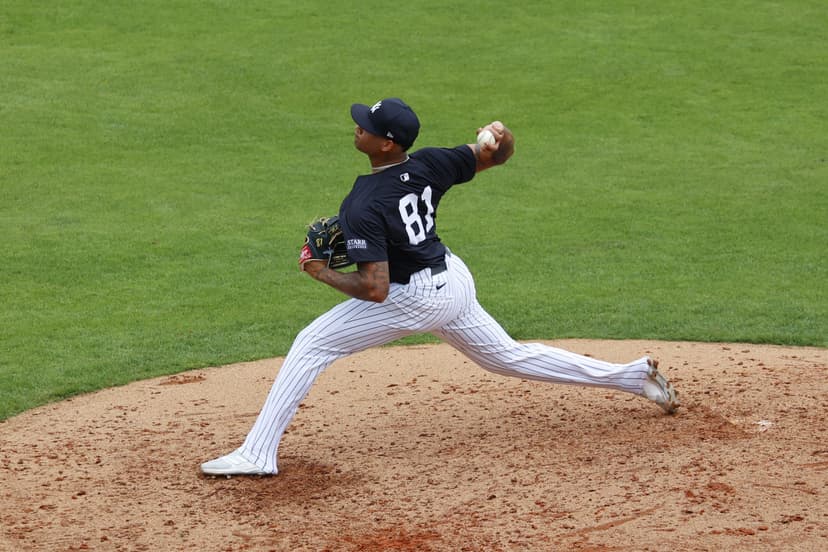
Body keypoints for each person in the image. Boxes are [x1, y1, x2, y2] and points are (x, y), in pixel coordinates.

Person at [201, 97, 679, 476]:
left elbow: (375, 290)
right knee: (506, 356)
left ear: (386, 144)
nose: (357, 127)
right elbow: (499, 156)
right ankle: (631, 376)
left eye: (366, 126)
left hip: (416, 298)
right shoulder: (431, 163)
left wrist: (319, 272)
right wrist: (500, 136)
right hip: (452, 280)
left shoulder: (363, 201)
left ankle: (257, 454)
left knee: (311, 344)